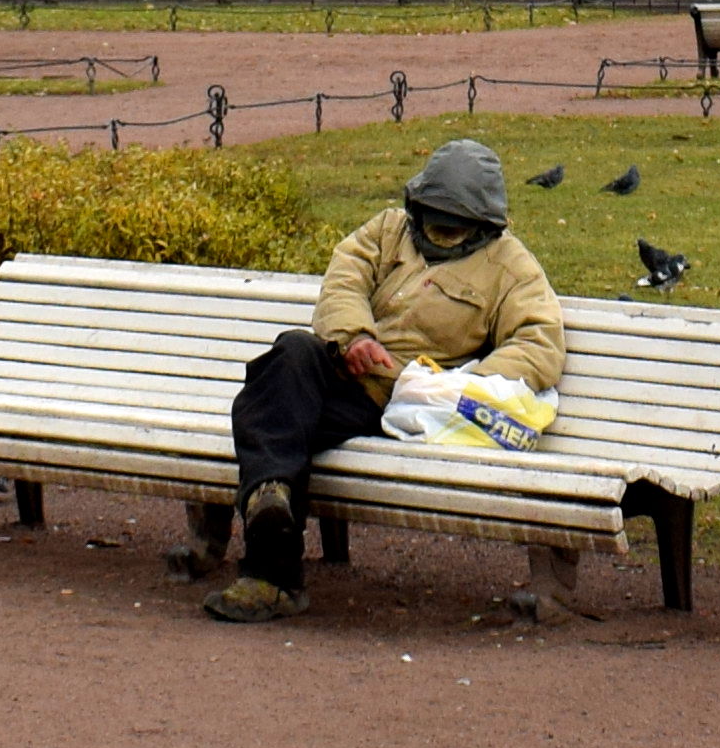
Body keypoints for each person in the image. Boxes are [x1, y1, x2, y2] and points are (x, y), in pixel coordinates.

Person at [210, 136, 565, 622]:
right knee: (288, 356)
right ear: (415, 203)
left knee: (266, 412)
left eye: (453, 226)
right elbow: (345, 278)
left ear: (484, 223)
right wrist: (354, 337)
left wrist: (450, 383)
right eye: (431, 217)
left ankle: (271, 574)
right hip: (340, 375)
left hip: (396, 407)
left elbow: (538, 345)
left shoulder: (513, 268)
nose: (438, 231)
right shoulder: (387, 230)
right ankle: (271, 500)